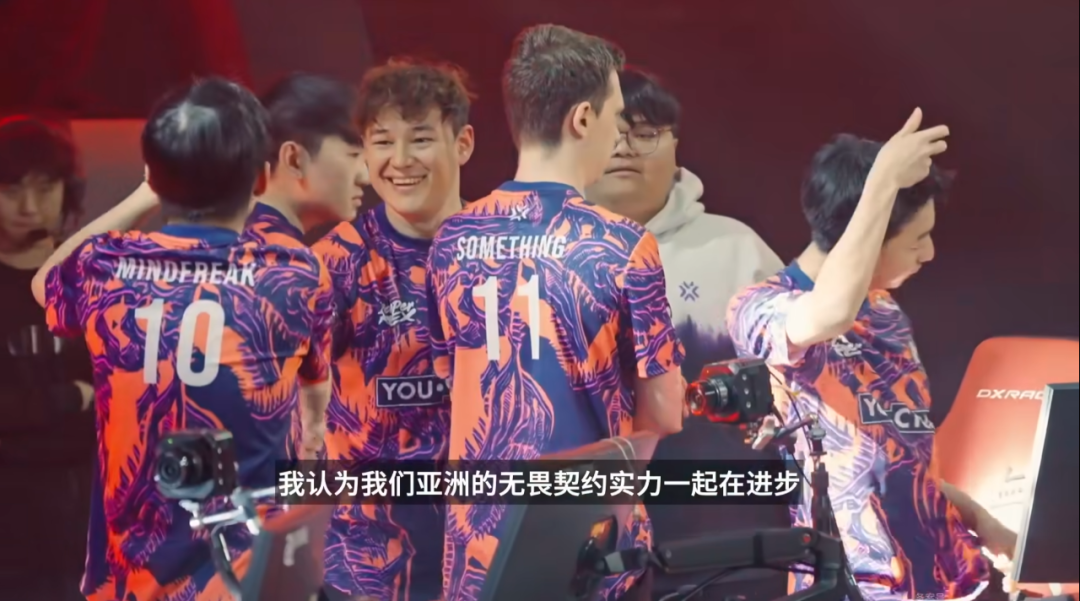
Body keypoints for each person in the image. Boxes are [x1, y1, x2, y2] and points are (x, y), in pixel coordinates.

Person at [30, 77, 333, 601]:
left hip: (127, 585)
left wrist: (145, 193)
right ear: (262, 179)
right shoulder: (295, 275)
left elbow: (45, 283)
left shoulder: (104, 268)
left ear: (155, 174)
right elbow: (315, 412)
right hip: (246, 582)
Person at [425, 25, 685, 601]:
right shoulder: (623, 244)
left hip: (478, 553)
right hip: (592, 552)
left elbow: (453, 386)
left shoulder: (451, 240)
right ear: (583, 119)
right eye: (616, 117)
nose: (618, 135)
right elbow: (664, 412)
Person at [727, 109, 1014, 601]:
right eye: (917, 238)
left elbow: (902, 461)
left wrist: (982, 521)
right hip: (851, 584)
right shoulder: (761, 309)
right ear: (865, 233)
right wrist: (882, 182)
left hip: (941, 583)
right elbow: (829, 313)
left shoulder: (885, 311)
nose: (929, 253)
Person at [583, 63, 787, 600]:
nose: (625, 148)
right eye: (611, 132)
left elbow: (801, 388)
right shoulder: (546, 256)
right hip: (591, 552)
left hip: (730, 543)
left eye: (645, 132)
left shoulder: (735, 248)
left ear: (676, 145)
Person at [311, 57, 474, 601]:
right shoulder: (336, 262)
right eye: (381, 142)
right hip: (366, 566)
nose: (400, 161)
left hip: (487, 554)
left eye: (420, 139)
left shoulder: (505, 251)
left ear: (463, 144)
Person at [0, 114, 94, 601]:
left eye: (45, 188)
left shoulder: (92, 278)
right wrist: (69, 398)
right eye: (11, 190)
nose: (29, 207)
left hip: (91, 510)